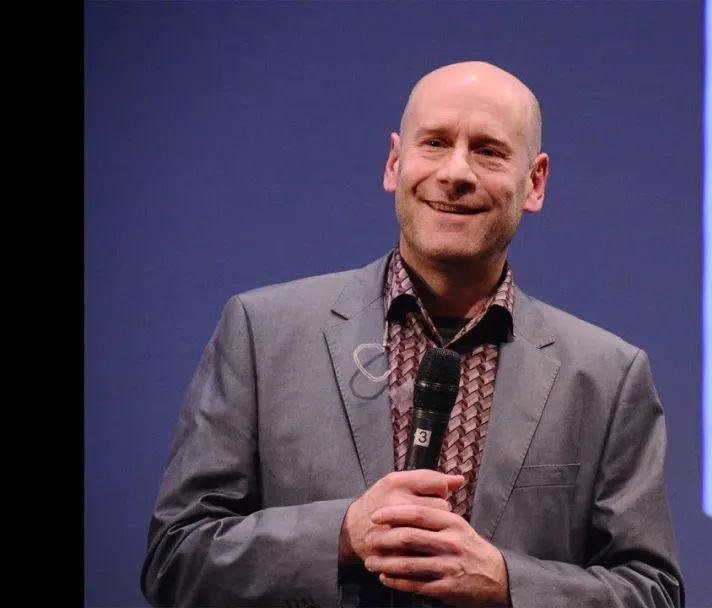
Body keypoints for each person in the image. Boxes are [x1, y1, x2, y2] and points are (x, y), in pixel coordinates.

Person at [141, 61, 684, 608]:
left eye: (489, 151)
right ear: (394, 163)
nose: (456, 172)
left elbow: (653, 592)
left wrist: (506, 583)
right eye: (435, 143)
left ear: (535, 183)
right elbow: (176, 560)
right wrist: (341, 535)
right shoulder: (263, 334)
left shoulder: (607, 376)